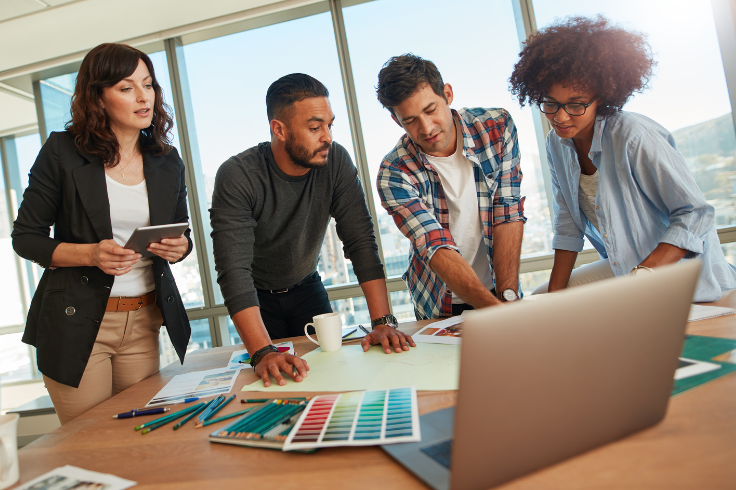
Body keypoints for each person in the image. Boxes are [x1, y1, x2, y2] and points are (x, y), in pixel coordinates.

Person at [12, 43, 193, 424]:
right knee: (89, 445)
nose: (144, 97)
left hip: (143, 320)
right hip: (76, 323)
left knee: (139, 437)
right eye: (127, 88)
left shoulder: (166, 160)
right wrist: (90, 254)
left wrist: (181, 246)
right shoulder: (62, 152)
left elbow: (181, 232)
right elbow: (26, 236)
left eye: (148, 85)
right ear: (98, 97)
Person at [508, 16, 736, 300]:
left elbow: (695, 213)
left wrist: (644, 274)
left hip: (682, 274)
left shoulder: (632, 136)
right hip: (627, 270)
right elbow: (568, 225)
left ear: (601, 97)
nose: (560, 117)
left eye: (576, 105)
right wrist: (553, 299)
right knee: (543, 298)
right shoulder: (557, 144)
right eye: (550, 103)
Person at [210, 73, 415, 388]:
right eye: (315, 127)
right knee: (275, 386)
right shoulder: (238, 176)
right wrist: (262, 351)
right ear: (279, 129)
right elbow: (233, 270)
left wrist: (382, 322)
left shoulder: (336, 162)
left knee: (330, 376)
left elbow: (361, 241)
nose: (328, 137)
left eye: (330, 125)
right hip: (257, 301)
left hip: (308, 291)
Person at [376, 54, 526, 320]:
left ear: (447, 93)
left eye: (430, 109)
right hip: (439, 305)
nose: (426, 128)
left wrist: (507, 300)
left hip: (500, 290)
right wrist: (496, 312)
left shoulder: (496, 127)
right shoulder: (394, 172)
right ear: (396, 120)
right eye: (410, 120)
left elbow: (508, 212)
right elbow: (435, 245)